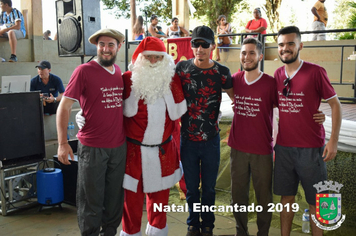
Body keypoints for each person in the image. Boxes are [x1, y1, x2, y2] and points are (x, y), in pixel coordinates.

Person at [228, 37, 326, 236]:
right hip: (237, 149)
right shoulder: (234, 80)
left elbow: (291, 106)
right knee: (238, 196)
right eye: (244, 53)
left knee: (264, 198)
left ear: (260, 56)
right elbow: (229, 95)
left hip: (263, 150)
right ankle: (241, 231)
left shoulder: (271, 83)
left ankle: (263, 232)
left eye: (252, 53)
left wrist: (319, 114)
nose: (247, 57)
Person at [57, 28, 127, 236]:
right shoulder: (83, 71)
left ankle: (110, 232)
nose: (105, 49)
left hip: (118, 147)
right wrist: (62, 143)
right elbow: (64, 106)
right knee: (90, 200)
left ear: (118, 47)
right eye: (101, 45)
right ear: (96, 47)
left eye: (110, 45)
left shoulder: (119, 73)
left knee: (114, 199)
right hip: (93, 147)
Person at [274, 26, 342, 236]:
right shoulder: (277, 73)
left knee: (317, 201)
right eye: (281, 44)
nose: (285, 48)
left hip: (311, 149)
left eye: (290, 44)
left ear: (300, 46)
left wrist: (333, 141)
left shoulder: (315, 71)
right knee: (286, 199)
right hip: (283, 149)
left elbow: (336, 104)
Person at [119, 36, 187, 236]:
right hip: (133, 153)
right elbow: (109, 108)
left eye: (158, 58)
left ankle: (157, 232)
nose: (154, 62)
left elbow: (179, 112)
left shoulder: (171, 80)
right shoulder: (127, 79)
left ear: (165, 59)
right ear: (140, 58)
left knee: (159, 203)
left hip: (163, 151)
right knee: (131, 202)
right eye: (149, 57)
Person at [175, 25, 234, 236]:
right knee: (191, 188)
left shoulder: (222, 72)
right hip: (187, 140)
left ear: (212, 46)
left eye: (204, 44)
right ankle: (193, 223)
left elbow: (239, 99)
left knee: (208, 188)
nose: (199, 49)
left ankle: (208, 224)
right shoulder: (181, 69)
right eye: (195, 44)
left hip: (211, 140)